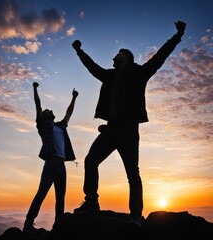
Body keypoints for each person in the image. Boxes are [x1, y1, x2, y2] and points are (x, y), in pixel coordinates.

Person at [71, 21, 186, 227]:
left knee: (133, 173)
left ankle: (135, 216)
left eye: (117, 55)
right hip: (110, 130)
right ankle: (91, 203)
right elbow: (92, 67)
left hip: (128, 131)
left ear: (125, 57)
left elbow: (160, 56)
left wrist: (177, 36)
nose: (113, 57)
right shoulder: (109, 75)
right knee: (90, 161)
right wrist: (80, 51)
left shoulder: (139, 73)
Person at [23, 82, 79, 233]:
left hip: (62, 166)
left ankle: (58, 226)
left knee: (60, 198)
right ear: (44, 116)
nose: (49, 110)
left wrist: (74, 98)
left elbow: (68, 113)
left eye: (49, 110)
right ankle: (28, 224)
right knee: (41, 194)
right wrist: (35, 89)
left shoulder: (60, 126)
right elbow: (38, 106)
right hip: (50, 165)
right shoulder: (43, 126)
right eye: (47, 110)